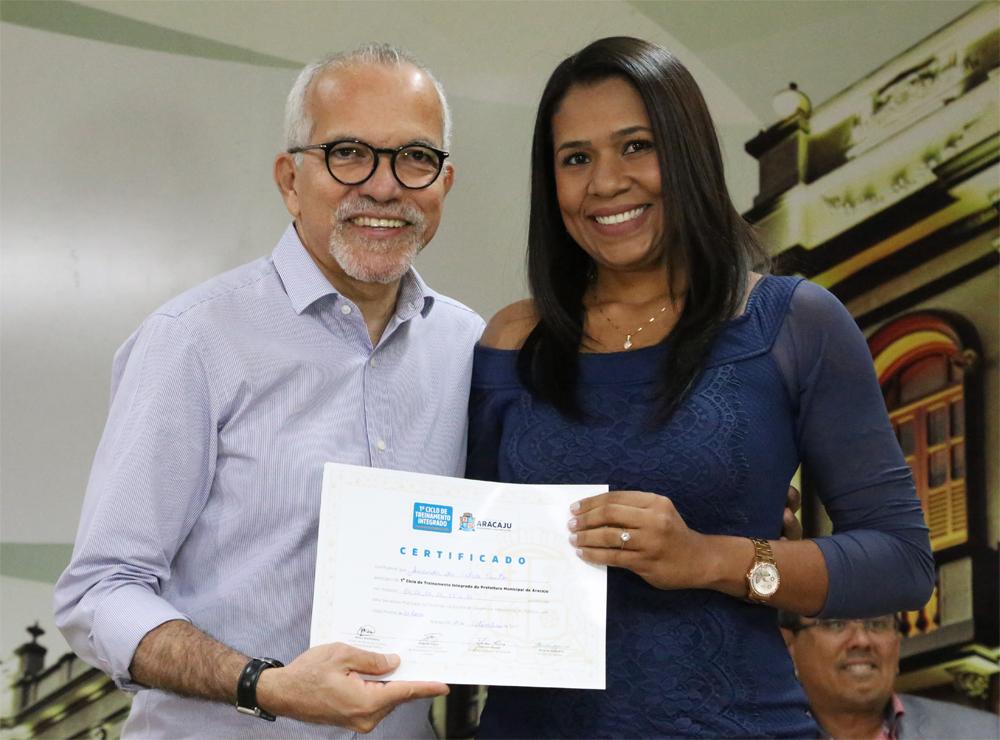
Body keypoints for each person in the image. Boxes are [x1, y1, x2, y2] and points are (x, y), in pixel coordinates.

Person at [467, 36, 936, 737]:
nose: (605, 182)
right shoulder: (512, 340)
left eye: (636, 146)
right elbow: (466, 566)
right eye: (576, 158)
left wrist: (711, 558)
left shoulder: (793, 323)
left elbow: (902, 564)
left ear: (687, 152)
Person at [53, 43, 485, 737]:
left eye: (415, 158)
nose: (384, 187)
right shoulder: (193, 341)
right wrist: (266, 684)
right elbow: (100, 593)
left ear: (445, 182)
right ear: (290, 179)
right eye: (348, 153)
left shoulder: (470, 347)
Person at [782, 614, 999, 739]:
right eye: (836, 624)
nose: (862, 640)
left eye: (877, 624)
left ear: (896, 644)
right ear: (790, 645)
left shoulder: (985, 734)